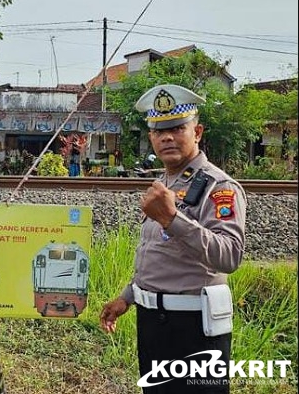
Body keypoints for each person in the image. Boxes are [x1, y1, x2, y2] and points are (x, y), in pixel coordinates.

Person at [99, 84, 246, 393]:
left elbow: (229, 255)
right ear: (151, 137)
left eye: (178, 128)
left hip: (194, 328)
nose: (167, 137)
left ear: (198, 132)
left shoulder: (219, 187)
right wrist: (127, 297)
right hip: (153, 322)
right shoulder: (165, 183)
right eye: (159, 130)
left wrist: (171, 218)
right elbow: (159, 255)